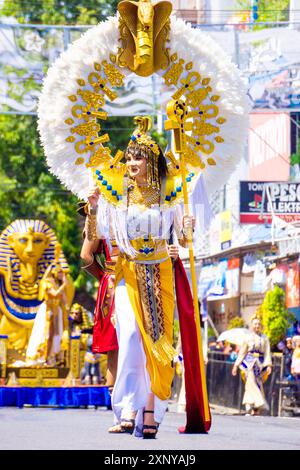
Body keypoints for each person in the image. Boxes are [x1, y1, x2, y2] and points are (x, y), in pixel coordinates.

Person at [87, 117, 197, 438]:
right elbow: (97, 234)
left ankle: (149, 410)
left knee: (157, 345)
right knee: (132, 339)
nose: (132, 162)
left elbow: (185, 241)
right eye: (130, 156)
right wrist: (93, 209)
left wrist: (188, 226)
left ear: (152, 161)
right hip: (129, 275)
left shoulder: (171, 194)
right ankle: (129, 408)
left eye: (139, 157)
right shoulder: (116, 195)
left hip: (160, 274)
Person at [232, 316, 272, 416]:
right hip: (249, 362)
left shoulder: (265, 338)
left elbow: (267, 352)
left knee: (258, 383)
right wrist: (236, 365)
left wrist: (268, 365)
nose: (257, 326)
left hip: (260, 363)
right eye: (255, 324)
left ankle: (251, 406)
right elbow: (242, 352)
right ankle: (259, 402)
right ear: (251, 325)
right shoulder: (247, 337)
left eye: (258, 324)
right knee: (250, 381)